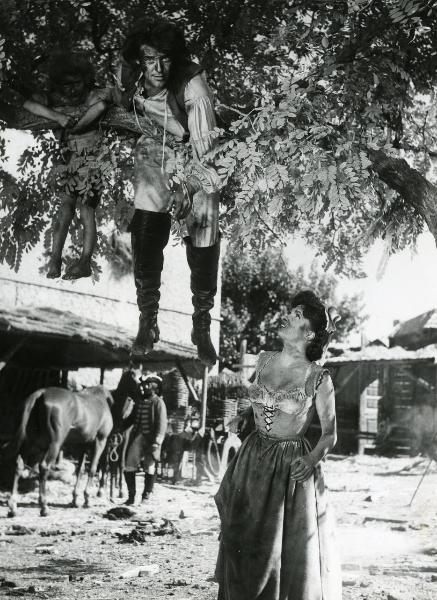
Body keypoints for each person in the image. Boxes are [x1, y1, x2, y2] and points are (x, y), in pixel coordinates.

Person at [214, 291, 342, 600]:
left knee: (276, 552)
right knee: (241, 538)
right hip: (250, 460)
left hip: (288, 470)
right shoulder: (264, 359)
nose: (287, 316)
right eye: (291, 311)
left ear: (309, 333)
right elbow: (262, 401)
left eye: (297, 315)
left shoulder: (318, 378)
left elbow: (330, 434)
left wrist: (311, 460)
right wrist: (244, 416)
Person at [114, 19, 222, 367]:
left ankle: (201, 323)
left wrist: (188, 188)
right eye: (149, 59)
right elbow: (118, 103)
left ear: (174, 58)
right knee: (145, 231)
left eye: (164, 58)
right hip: (156, 151)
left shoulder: (193, 86)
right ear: (139, 61)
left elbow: (209, 154)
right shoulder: (130, 77)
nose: (157, 68)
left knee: (204, 229)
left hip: (196, 155)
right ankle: (148, 319)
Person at [22, 51, 108, 280]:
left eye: (76, 82)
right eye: (65, 84)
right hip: (68, 160)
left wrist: (77, 127)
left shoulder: (93, 95)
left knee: (86, 209)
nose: (71, 89)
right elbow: (28, 104)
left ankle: (85, 260)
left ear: (86, 79)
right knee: (65, 210)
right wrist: (57, 117)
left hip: (92, 161)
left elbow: (100, 107)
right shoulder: (54, 99)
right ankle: (55, 258)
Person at [123, 374, 168, 504]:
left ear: (154, 387)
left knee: (150, 467)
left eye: (147, 385)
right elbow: (131, 419)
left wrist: (157, 442)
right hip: (138, 437)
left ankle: (146, 496)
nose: (144, 387)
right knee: (129, 466)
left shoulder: (158, 402)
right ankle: (131, 497)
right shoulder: (140, 402)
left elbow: (162, 424)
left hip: (151, 441)